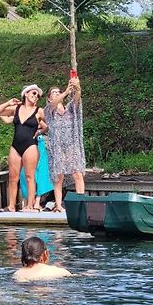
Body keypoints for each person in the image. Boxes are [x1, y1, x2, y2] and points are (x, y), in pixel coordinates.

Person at [0, 85, 46, 212]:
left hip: (30, 145)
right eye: (34, 93)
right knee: (13, 177)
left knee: (30, 176)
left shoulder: (39, 111)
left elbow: (48, 125)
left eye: (38, 96)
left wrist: (39, 132)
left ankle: (30, 205)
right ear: (26, 94)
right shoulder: (17, 108)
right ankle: (11, 206)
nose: (36, 96)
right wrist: (8, 102)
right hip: (16, 146)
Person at [45, 77, 86, 212]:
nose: (57, 93)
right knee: (58, 176)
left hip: (71, 145)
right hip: (57, 147)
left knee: (77, 173)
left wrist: (77, 88)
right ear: (49, 98)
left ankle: (81, 202)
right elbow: (53, 104)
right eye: (54, 92)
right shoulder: (49, 110)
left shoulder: (69, 108)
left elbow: (77, 100)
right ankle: (58, 205)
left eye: (59, 91)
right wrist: (66, 91)